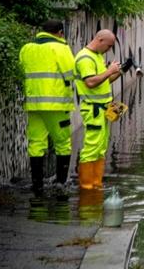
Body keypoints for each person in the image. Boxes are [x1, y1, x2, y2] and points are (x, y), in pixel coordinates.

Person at [19, 19, 76, 196]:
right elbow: (71, 74)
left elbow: (22, 70)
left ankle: (37, 185)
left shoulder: (26, 48)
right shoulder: (61, 48)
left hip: (34, 104)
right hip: (56, 104)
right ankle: (61, 183)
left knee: (36, 143)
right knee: (63, 143)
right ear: (60, 32)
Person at [74, 29, 122, 190]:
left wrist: (119, 71)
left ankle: (96, 184)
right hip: (93, 109)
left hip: (105, 108)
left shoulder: (98, 56)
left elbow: (104, 81)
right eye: (109, 46)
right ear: (100, 40)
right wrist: (109, 71)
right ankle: (87, 187)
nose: (109, 49)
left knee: (101, 147)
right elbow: (90, 82)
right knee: (92, 146)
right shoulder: (85, 58)